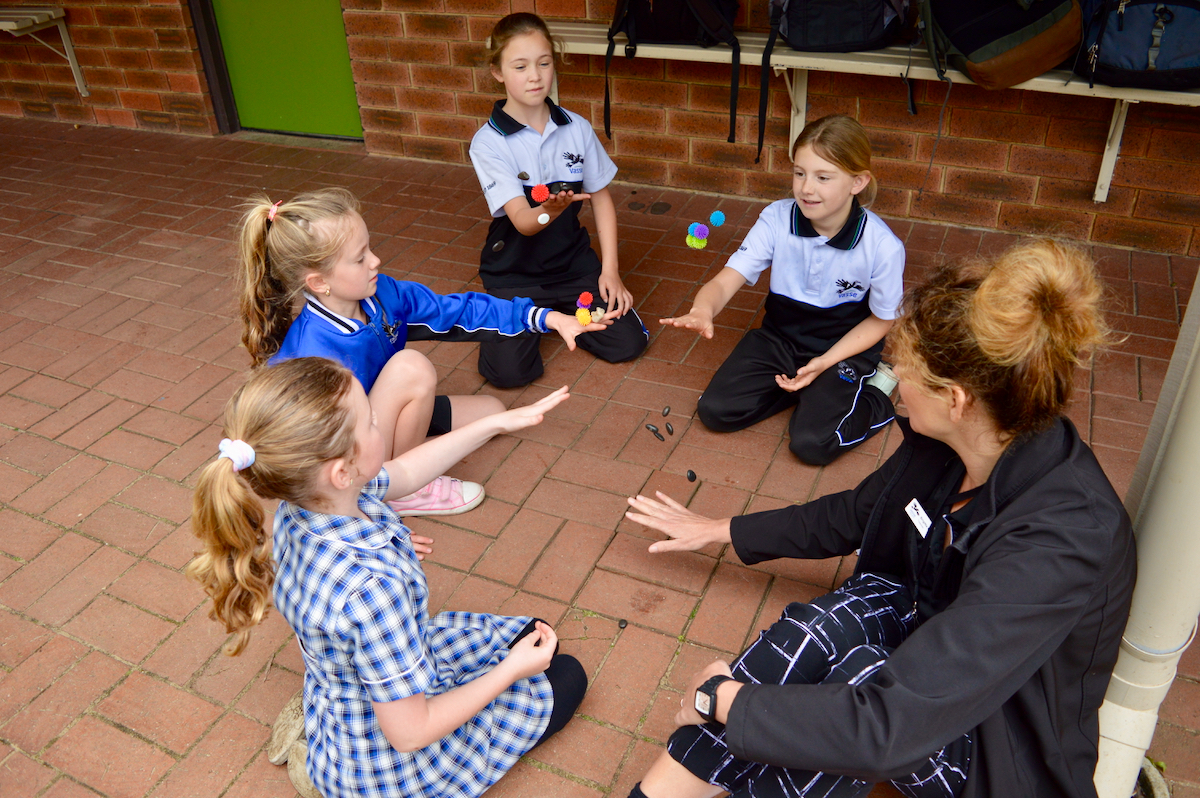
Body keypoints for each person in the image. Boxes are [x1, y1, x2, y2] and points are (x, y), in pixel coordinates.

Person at [624, 240, 1136, 798]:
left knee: (852, 685)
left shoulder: (1063, 537)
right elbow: (859, 512)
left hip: (995, 731)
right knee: (810, 634)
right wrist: (721, 530)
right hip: (923, 624)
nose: (889, 380)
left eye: (900, 371)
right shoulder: (949, 441)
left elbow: (891, 727)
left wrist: (721, 699)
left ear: (957, 399)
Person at [188, 357, 587, 798]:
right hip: (386, 765)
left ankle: (321, 742)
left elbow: (409, 471)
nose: (380, 423)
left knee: (533, 635)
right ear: (341, 471)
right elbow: (411, 734)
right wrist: (511, 671)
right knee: (565, 676)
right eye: (371, 423)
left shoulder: (305, 502)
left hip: (354, 693)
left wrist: (493, 423)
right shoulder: (373, 590)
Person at [236, 186, 611, 516]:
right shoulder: (308, 355)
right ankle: (400, 491)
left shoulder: (382, 294)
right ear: (318, 282)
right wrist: (357, 515)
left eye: (369, 248)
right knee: (411, 367)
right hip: (351, 446)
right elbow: (300, 456)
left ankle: (406, 452)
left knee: (492, 413)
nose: (375, 261)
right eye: (360, 257)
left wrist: (545, 318)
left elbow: (458, 310)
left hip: (380, 415)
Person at [662, 114, 903, 465]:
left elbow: (883, 321)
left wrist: (823, 363)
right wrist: (703, 309)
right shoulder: (776, 218)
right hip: (780, 339)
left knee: (812, 444)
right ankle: (805, 392)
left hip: (841, 350)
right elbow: (727, 279)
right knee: (715, 411)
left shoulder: (882, 246)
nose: (807, 188)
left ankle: (877, 392)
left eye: (823, 177)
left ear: (857, 182)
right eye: (799, 173)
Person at [468, 12, 648, 388]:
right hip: (514, 274)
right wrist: (549, 210)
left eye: (544, 63)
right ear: (498, 72)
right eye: (520, 66)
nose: (535, 75)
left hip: (572, 268)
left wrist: (609, 271)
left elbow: (601, 198)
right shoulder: (488, 142)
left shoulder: (576, 127)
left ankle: (556, 311)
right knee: (509, 375)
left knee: (627, 343)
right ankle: (519, 315)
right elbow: (522, 221)